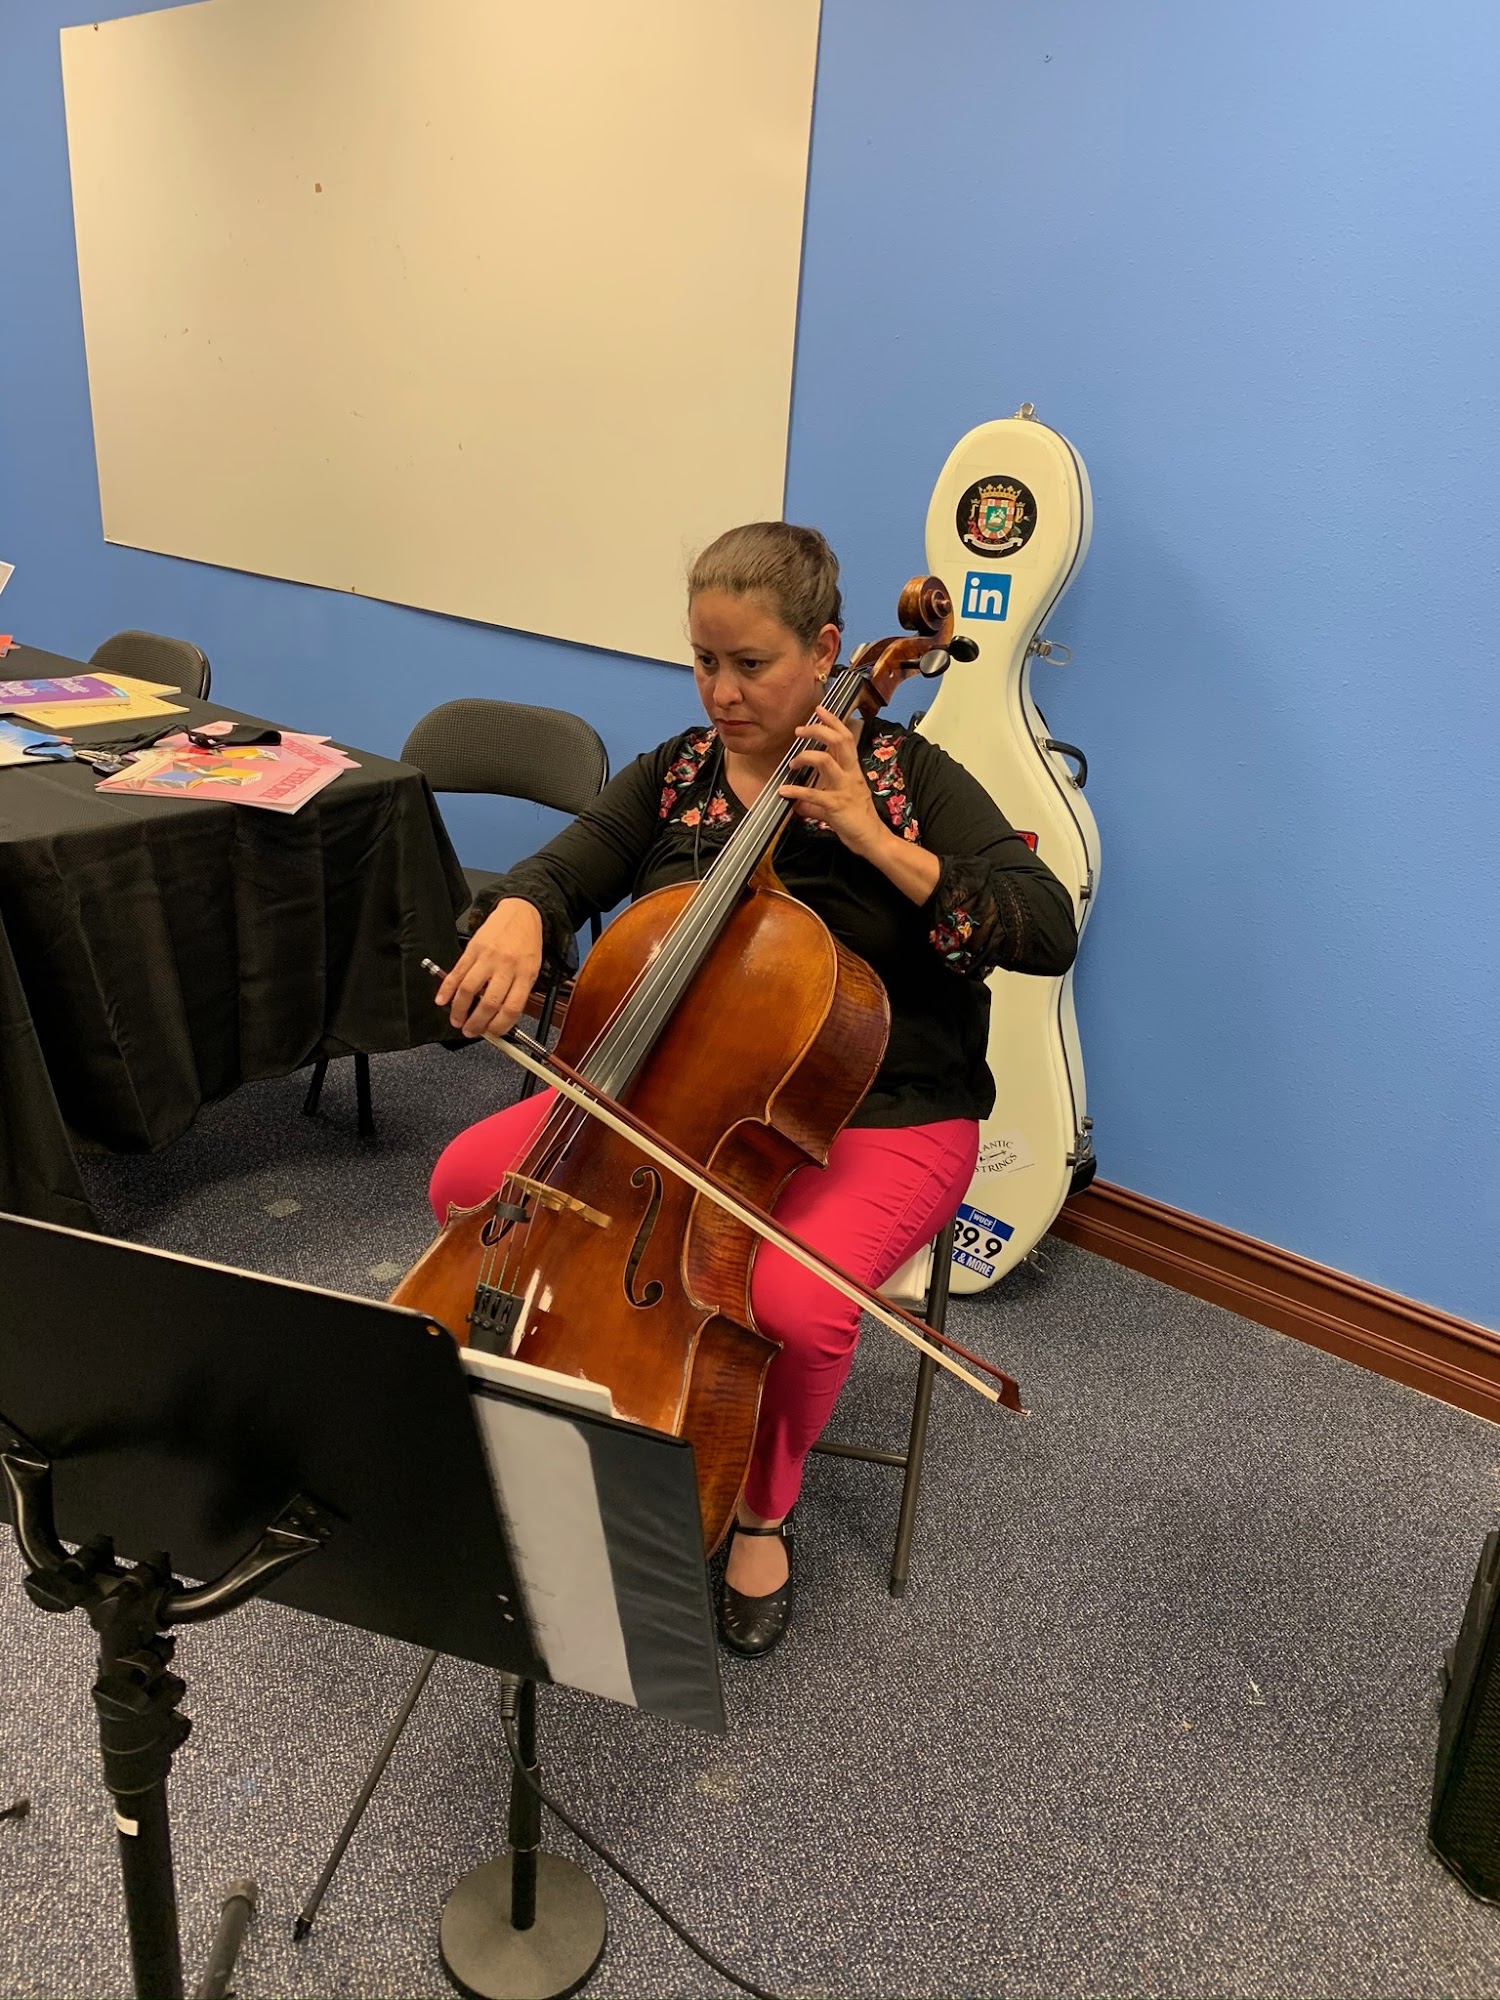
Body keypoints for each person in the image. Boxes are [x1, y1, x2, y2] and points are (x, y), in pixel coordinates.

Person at [430, 522, 1077, 1657]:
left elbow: (1043, 924)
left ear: (826, 651)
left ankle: (761, 1512)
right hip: (667, 1097)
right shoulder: (677, 772)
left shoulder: (909, 778)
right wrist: (525, 911)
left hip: (878, 1109)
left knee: (791, 1303)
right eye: (703, 661)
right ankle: (583, 1394)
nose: (721, 693)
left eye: (751, 664)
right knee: (469, 1180)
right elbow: (569, 864)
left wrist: (875, 839)